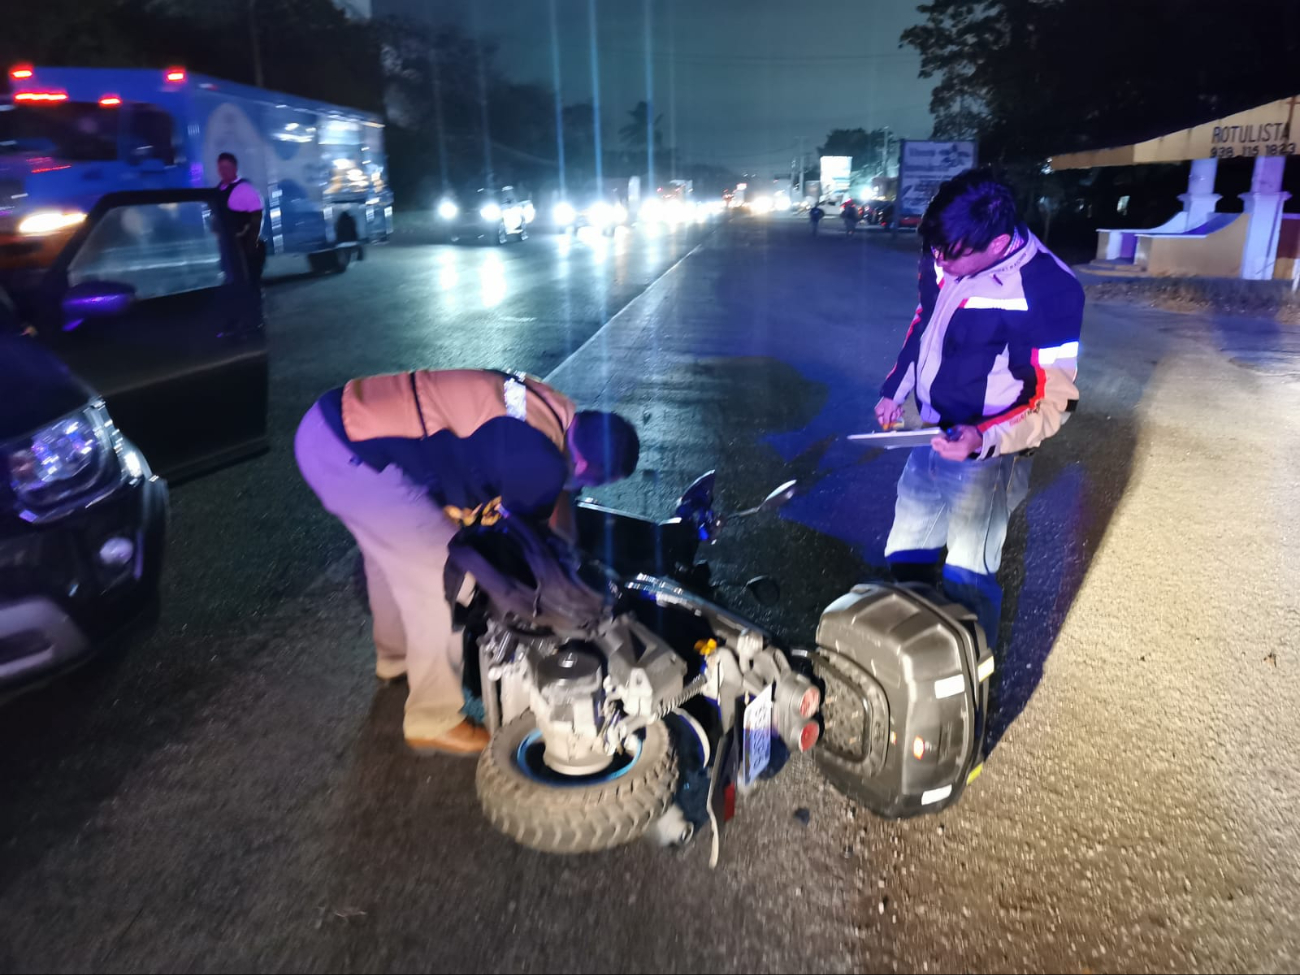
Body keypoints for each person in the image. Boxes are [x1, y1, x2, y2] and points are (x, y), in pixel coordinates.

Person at [295, 369, 640, 756]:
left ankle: (396, 658)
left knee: (391, 551)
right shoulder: (540, 462)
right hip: (352, 453)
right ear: (587, 471)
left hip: (329, 425)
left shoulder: (551, 405)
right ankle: (433, 718)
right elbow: (533, 541)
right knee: (442, 573)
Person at [874, 168, 1084, 654]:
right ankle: (905, 660)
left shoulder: (1049, 289)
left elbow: (1057, 401)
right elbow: (924, 321)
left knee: (968, 574)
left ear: (999, 242)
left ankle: (970, 683)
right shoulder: (945, 250)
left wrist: (982, 440)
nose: (940, 264)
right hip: (927, 437)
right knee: (905, 553)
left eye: (953, 256)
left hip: (990, 455)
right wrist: (895, 392)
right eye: (936, 252)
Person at [215, 151, 265, 283]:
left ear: (235, 168)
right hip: (228, 245)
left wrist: (251, 244)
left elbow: (257, 217)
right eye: (221, 168)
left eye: (227, 167)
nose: (223, 171)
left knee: (248, 279)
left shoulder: (245, 189)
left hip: (243, 245)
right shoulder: (219, 189)